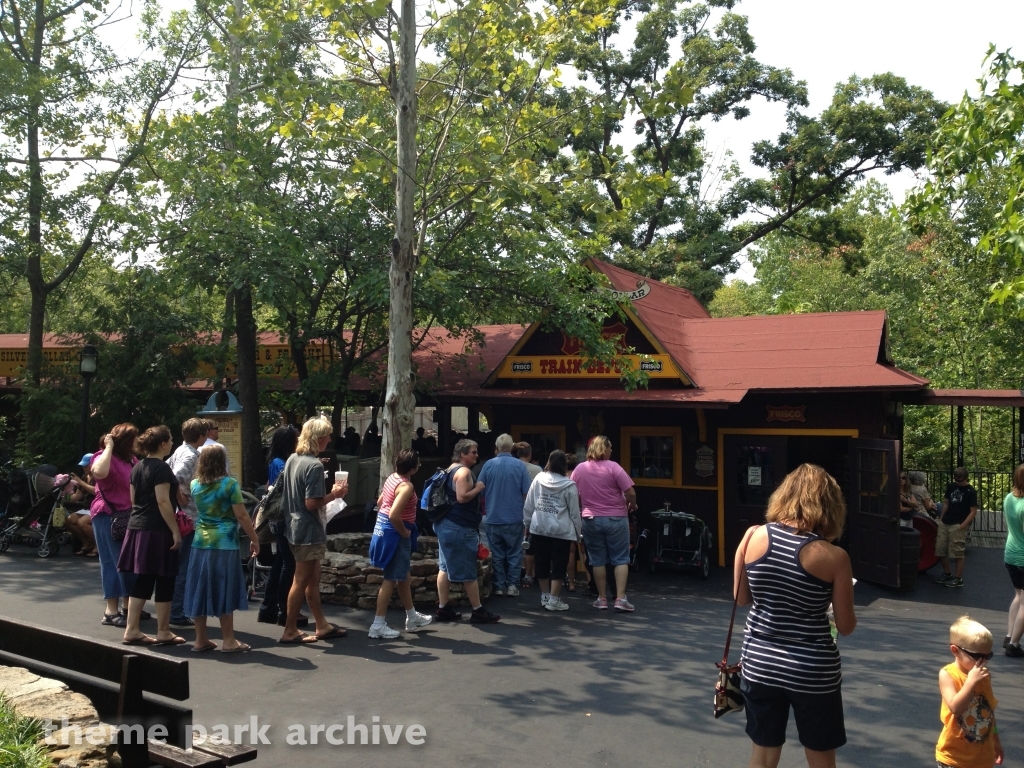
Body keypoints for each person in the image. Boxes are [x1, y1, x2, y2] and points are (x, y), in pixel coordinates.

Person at [734, 463, 856, 768]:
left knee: (761, 755)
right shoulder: (835, 557)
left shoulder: (751, 537)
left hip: (760, 663)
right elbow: (846, 625)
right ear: (830, 505)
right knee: (821, 758)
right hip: (813, 671)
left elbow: (741, 598)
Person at [279, 416, 349, 645]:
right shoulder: (314, 466)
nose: (330, 438)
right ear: (319, 439)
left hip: (293, 526)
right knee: (301, 580)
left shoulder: (293, 459)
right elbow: (312, 502)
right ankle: (290, 629)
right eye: (327, 435)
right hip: (308, 529)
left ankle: (321, 625)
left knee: (311, 579)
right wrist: (335, 495)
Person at [184, 446, 260, 653]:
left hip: (200, 542)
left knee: (200, 589)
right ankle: (228, 641)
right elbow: (242, 516)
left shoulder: (194, 485)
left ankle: (200, 640)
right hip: (225, 543)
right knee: (224, 588)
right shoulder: (229, 485)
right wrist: (255, 539)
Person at [118, 426, 184, 646]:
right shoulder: (162, 469)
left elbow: (133, 500)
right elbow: (163, 501)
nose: (172, 443)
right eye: (171, 440)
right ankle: (163, 631)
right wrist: (175, 530)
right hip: (157, 530)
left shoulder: (137, 467)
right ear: (163, 443)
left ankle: (132, 629)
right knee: (165, 578)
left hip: (137, 526)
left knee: (144, 579)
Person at [367, 449, 435, 638]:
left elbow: (380, 503)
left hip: (384, 530)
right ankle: (378, 624)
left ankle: (412, 616)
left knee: (402, 575)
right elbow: (394, 514)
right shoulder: (406, 487)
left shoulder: (392, 478)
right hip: (395, 533)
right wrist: (404, 532)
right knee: (391, 578)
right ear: (413, 470)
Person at [433, 439, 500, 624]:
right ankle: (478, 610)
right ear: (462, 454)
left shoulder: (450, 469)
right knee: (469, 571)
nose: (476, 455)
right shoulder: (463, 472)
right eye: (473, 452)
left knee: (444, 567)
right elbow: (462, 498)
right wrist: (478, 488)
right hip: (459, 527)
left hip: (446, 524)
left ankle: (443, 607)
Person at [571, 435, 637, 612]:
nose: (611, 450)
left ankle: (601, 598)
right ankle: (620, 598)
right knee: (621, 558)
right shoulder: (613, 467)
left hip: (590, 519)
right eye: (610, 447)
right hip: (615, 518)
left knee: (597, 559)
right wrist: (632, 504)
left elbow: (573, 493)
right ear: (604, 448)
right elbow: (630, 491)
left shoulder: (579, 469)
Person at [935, 615, 1003, 768]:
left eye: (988, 656)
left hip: (982, 758)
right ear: (955, 650)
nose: (983, 661)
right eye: (978, 656)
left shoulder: (983, 675)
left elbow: (989, 711)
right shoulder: (948, 674)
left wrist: (996, 739)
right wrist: (971, 682)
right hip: (953, 758)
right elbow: (955, 708)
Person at [90, 424, 139, 628]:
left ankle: (129, 607)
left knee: (128, 563)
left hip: (128, 515)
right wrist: (108, 447)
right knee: (112, 561)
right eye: (135, 438)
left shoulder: (131, 459)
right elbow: (98, 473)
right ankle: (111, 610)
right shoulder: (102, 456)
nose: (138, 441)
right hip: (107, 515)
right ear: (126, 440)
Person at [259, 425, 307, 627]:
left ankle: (268, 608)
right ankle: (284, 609)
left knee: (280, 562)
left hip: (276, 518)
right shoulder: (283, 463)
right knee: (289, 564)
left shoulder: (274, 461)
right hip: (283, 518)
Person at [523, 450, 582, 612]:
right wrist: (578, 533)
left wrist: (527, 524)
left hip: (539, 527)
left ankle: (544, 595)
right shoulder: (569, 485)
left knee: (541, 562)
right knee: (559, 564)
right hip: (561, 531)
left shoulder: (539, 479)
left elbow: (529, 504)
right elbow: (574, 513)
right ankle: (554, 599)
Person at [166, 418, 208, 630]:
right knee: (185, 567)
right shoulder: (191, 455)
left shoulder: (179, 450)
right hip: (188, 517)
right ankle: (177, 611)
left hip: (182, 515)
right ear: (201, 436)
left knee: (180, 565)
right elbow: (173, 476)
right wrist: (180, 497)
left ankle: (176, 609)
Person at [478, 434, 532, 597]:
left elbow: (480, 489)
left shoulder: (488, 465)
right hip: (514, 516)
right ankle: (512, 585)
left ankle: (499, 585)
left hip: (493, 515)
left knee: (497, 554)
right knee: (515, 552)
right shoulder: (520, 466)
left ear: (496, 447)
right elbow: (526, 493)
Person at [935, 468, 978, 588]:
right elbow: (946, 503)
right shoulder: (951, 487)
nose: (958, 482)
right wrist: (941, 518)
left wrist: (963, 525)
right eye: (956, 480)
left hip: (958, 524)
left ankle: (958, 578)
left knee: (958, 552)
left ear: (966, 479)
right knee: (940, 549)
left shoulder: (970, 492)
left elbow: (973, 511)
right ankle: (947, 573)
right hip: (945, 522)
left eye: (960, 480)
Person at [513, 442, 542, 588]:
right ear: (529, 455)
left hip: (512, 509)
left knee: (513, 545)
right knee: (530, 544)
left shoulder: (511, 466)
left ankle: (514, 575)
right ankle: (530, 574)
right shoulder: (537, 470)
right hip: (532, 510)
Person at [1002, 464, 1024, 657]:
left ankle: (1009, 635)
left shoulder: (1009, 498)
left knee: (1019, 596)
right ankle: (1014, 645)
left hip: (1011, 554)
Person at [65, 455, 97, 556]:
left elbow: (96, 491)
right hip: (86, 508)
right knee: (69, 520)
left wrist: (80, 482)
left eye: (86, 466)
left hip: (97, 508)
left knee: (82, 522)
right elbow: (77, 496)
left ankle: (98, 545)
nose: (84, 468)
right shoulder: (84, 476)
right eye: (83, 466)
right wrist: (64, 495)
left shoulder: (98, 476)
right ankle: (87, 543)